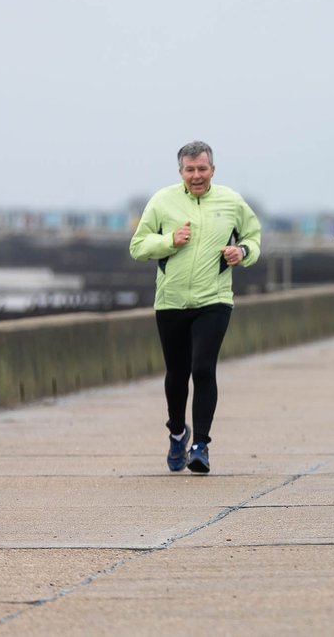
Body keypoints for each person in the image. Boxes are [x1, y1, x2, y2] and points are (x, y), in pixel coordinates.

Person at [130, 141, 261, 474]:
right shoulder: (163, 201)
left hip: (214, 300)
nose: (196, 175)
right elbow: (138, 247)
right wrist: (168, 241)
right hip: (171, 301)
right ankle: (177, 432)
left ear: (213, 170)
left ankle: (200, 445)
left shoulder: (231, 201)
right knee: (177, 373)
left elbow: (254, 237)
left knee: (203, 368)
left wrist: (242, 253)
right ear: (181, 172)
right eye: (190, 170)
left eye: (202, 169)